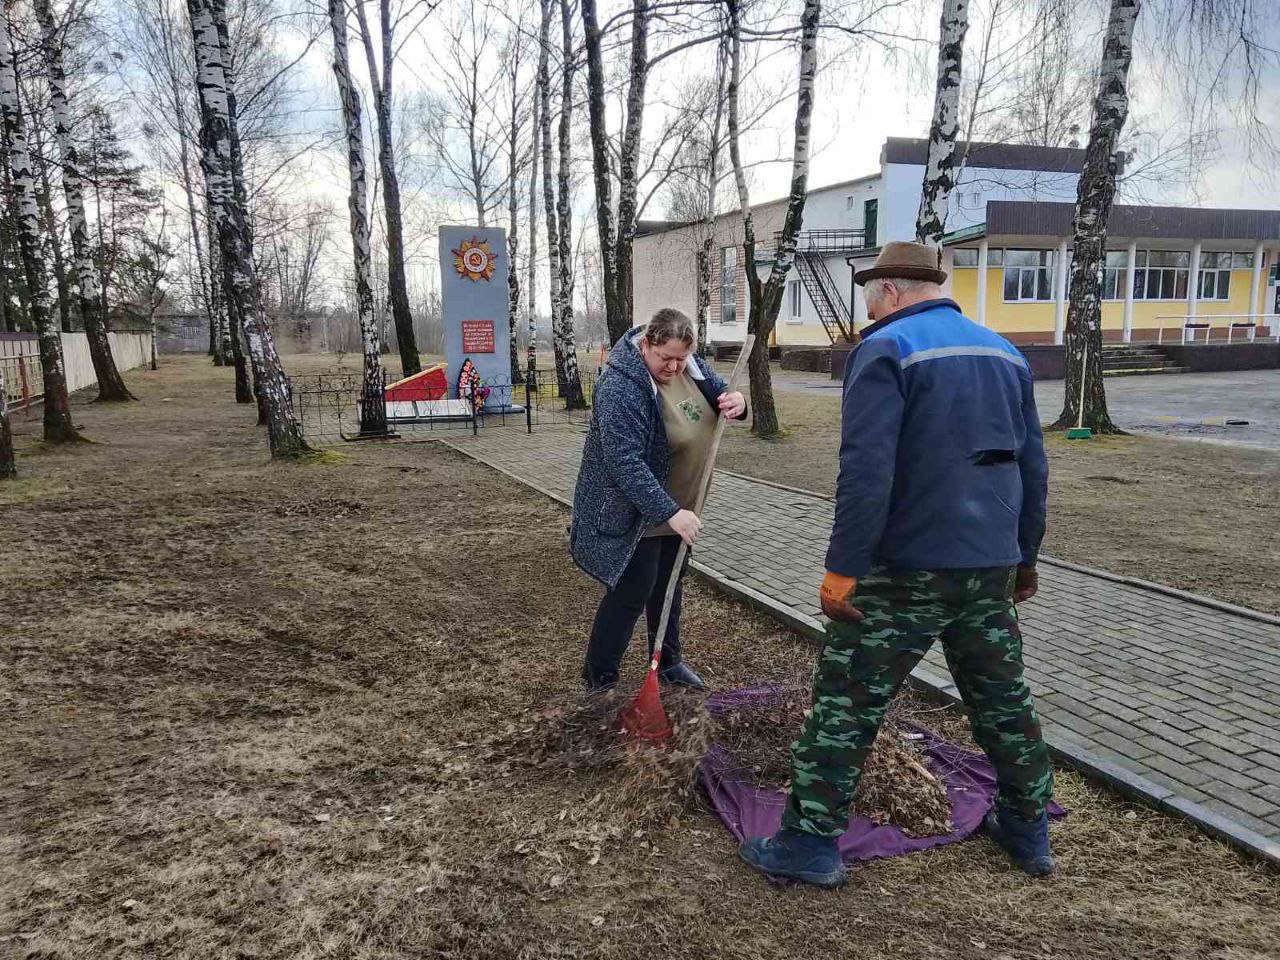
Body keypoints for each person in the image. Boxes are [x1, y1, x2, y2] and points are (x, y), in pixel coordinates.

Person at [739, 241, 1054, 888]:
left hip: (906, 568)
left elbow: (867, 470)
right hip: (989, 564)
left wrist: (842, 567)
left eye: (869, 294)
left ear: (890, 290)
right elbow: (1032, 468)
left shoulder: (885, 350)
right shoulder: (1006, 354)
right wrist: (1024, 558)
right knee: (1002, 697)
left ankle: (808, 842)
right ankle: (1025, 823)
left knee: (847, 700)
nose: (868, 306)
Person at [570, 308, 747, 693]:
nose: (673, 366)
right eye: (665, 357)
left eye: (681, 358)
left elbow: (719, 396)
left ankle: (668, 662)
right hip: (636, 507)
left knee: (670, 584)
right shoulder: (620, 386)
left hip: (681, 504)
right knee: (633, 591)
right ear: (646, 344)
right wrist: (669, 513)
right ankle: (599, 675)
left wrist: (737, 403)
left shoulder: (690, 365)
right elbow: (624, 462)